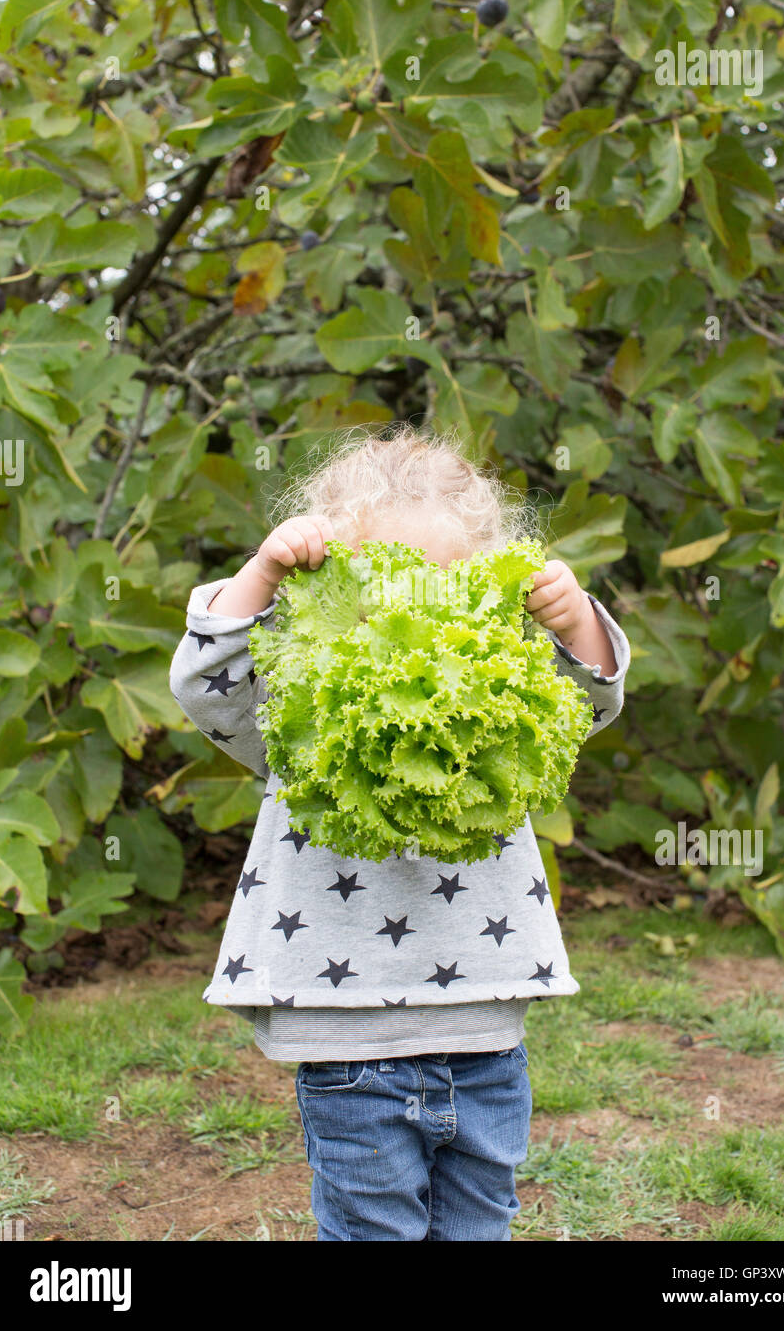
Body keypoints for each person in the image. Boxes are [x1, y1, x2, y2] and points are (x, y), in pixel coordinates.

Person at [168, 426, 630, 1240]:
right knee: (370, 1226)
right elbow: (206, 684)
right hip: (345, 1036)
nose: (411, 616)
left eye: (441, 591)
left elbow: (585, 703)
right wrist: (262, 573)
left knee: (479, 1220)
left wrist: (574, 623)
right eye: (382, 589)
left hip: (484, 1032)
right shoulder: (299, 701)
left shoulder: (498, 694)